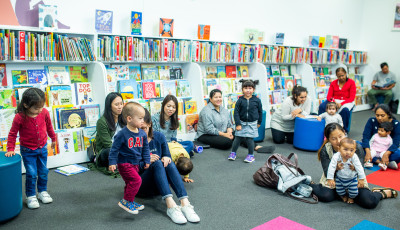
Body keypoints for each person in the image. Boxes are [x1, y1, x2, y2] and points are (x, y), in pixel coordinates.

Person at [311, 123, 398, 209]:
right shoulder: (326, 150)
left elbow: (361, 170)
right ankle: (310, 184)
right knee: (326, 196)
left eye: (340, 136)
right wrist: (336, 168)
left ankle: (379, 193)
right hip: (335, 181)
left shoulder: (356, 147)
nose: (338, 141)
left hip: (353, 181)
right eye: (333, 139)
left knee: (369, 202)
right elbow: (327, 172)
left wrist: (355, 169)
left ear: (344, 133)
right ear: (328, 139)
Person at [138, 109, 200, 224]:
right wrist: (146, 161)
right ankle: (171, 206)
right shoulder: (133, 142)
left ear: (150, 124)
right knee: (156, 162)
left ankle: (184, 203)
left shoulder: (159, 137)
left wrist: (166, 157)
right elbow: (131, 170)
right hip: (141, 186)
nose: (140, 133)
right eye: (137, 129)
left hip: (160, 185)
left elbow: (166, 154)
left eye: (143, 129)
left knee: (168, 161)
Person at [5, 88, 56, 209]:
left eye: (41, 107)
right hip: (28, 150)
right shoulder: (19, 117)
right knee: (32, 173)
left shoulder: (44, 112)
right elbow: (12, 133)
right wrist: (10, 148)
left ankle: (42, 191)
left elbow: (49, 126)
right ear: (26, 105)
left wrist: (53, 138)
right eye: (36, 108)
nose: (39, 110)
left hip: (42, 147)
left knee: (43, 171)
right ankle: (31, 195)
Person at [108, 102, 150, 214]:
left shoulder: (142, 133)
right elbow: (114, 149)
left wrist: (147, 160)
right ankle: (126, 201)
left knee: (130, 183)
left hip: (135, 164)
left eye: (143, 118)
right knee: (136, 180)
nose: (143, 121)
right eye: (140, 118)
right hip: (124, 163)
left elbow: (145, 148)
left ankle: (130, 201)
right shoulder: (122, 134)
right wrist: (112, 162)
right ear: (129, 118)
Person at [228, 79, 262, 163]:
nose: (248, 90)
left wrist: (259, 122)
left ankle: (251, 155)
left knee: (249, 139)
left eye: (250, 88)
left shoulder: (257, 100)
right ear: (242, 89)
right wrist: (238, 124)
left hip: (252, 123)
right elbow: (236, 112)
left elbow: (260, 111)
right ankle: (233, 153)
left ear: (253, 89)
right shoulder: (240, 100)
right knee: (237, 138)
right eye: (246, 88)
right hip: (241, 123)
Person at [326, 138, 366, 204]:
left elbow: (359, 167)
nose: (348, 152)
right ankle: (343, 196)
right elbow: (331, 167)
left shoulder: (354, 157)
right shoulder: (336, 156)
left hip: (352, 179)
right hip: (340, 178)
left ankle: (351, 197)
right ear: (339, 149)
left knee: (354, 192)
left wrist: (361, 179)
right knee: (339, 191)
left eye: (351, 150)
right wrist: (330, 178)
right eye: (345, 149)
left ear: (355, 151)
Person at [318, 67, 356, 133]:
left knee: (345, 111)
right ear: (336, 76)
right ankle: (321, 126)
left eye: (342, 75)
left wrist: (341, 103)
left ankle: (344, 130)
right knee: (322, 106)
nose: (341, 78)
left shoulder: (351, 82)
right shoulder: (333, 83)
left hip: (347, 101)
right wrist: (334, 102)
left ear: (346, 73)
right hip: (334, 100)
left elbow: (351, 98)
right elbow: (329, 96)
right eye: (339, 76)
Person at [362, 104, 400, 170]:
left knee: (398, 154)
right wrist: (368, 151)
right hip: (372, 149)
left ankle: (375, 160)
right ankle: (381, 162)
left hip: (386, 150)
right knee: (356, 144)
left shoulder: (396, 124)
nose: (379, 118)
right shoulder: (371, 121)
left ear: (388, 115)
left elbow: (396, 143)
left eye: (382, 116)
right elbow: (366, 137)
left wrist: (387, 154)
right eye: (377, 115)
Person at [95, 92, 126, 168]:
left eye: (121, 104)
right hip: (108, 151)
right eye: (116, 104)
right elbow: (108, 144)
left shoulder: (125, 118)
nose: (120, 107)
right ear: (109, 106)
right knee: (109, 152)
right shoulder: (102, 122)